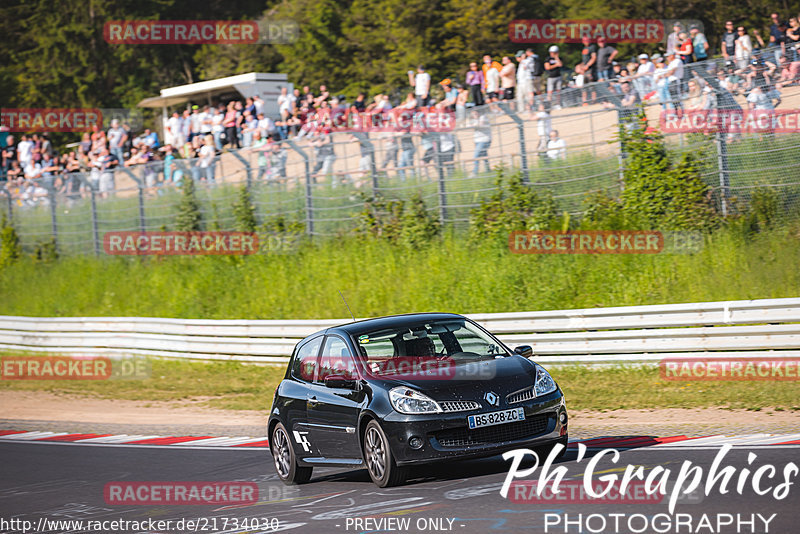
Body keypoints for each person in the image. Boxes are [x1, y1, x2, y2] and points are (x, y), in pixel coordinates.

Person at [470, 109, 491, 176]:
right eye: (473, 114)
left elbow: (480, 124)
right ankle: (488, 170)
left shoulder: (483, 117)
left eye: (475, 114)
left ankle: (474, 172)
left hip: (484, 140)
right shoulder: (475, 120)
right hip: (477, 140)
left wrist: (473, 124)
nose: (474, 116)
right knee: (484, 154)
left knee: (476, 155)